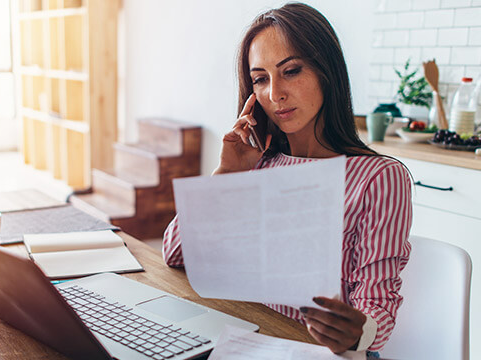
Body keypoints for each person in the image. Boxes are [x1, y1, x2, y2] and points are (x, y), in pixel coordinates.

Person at [162, 3, 412, 357]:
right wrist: (227, 176)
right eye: (261, 79)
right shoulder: (258, 164)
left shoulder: (380, 178)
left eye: (291, 71)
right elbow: (175, 254)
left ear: (327, 72)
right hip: (249, 342)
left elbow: (377, 305)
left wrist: (358, 331)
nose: (275, 93)